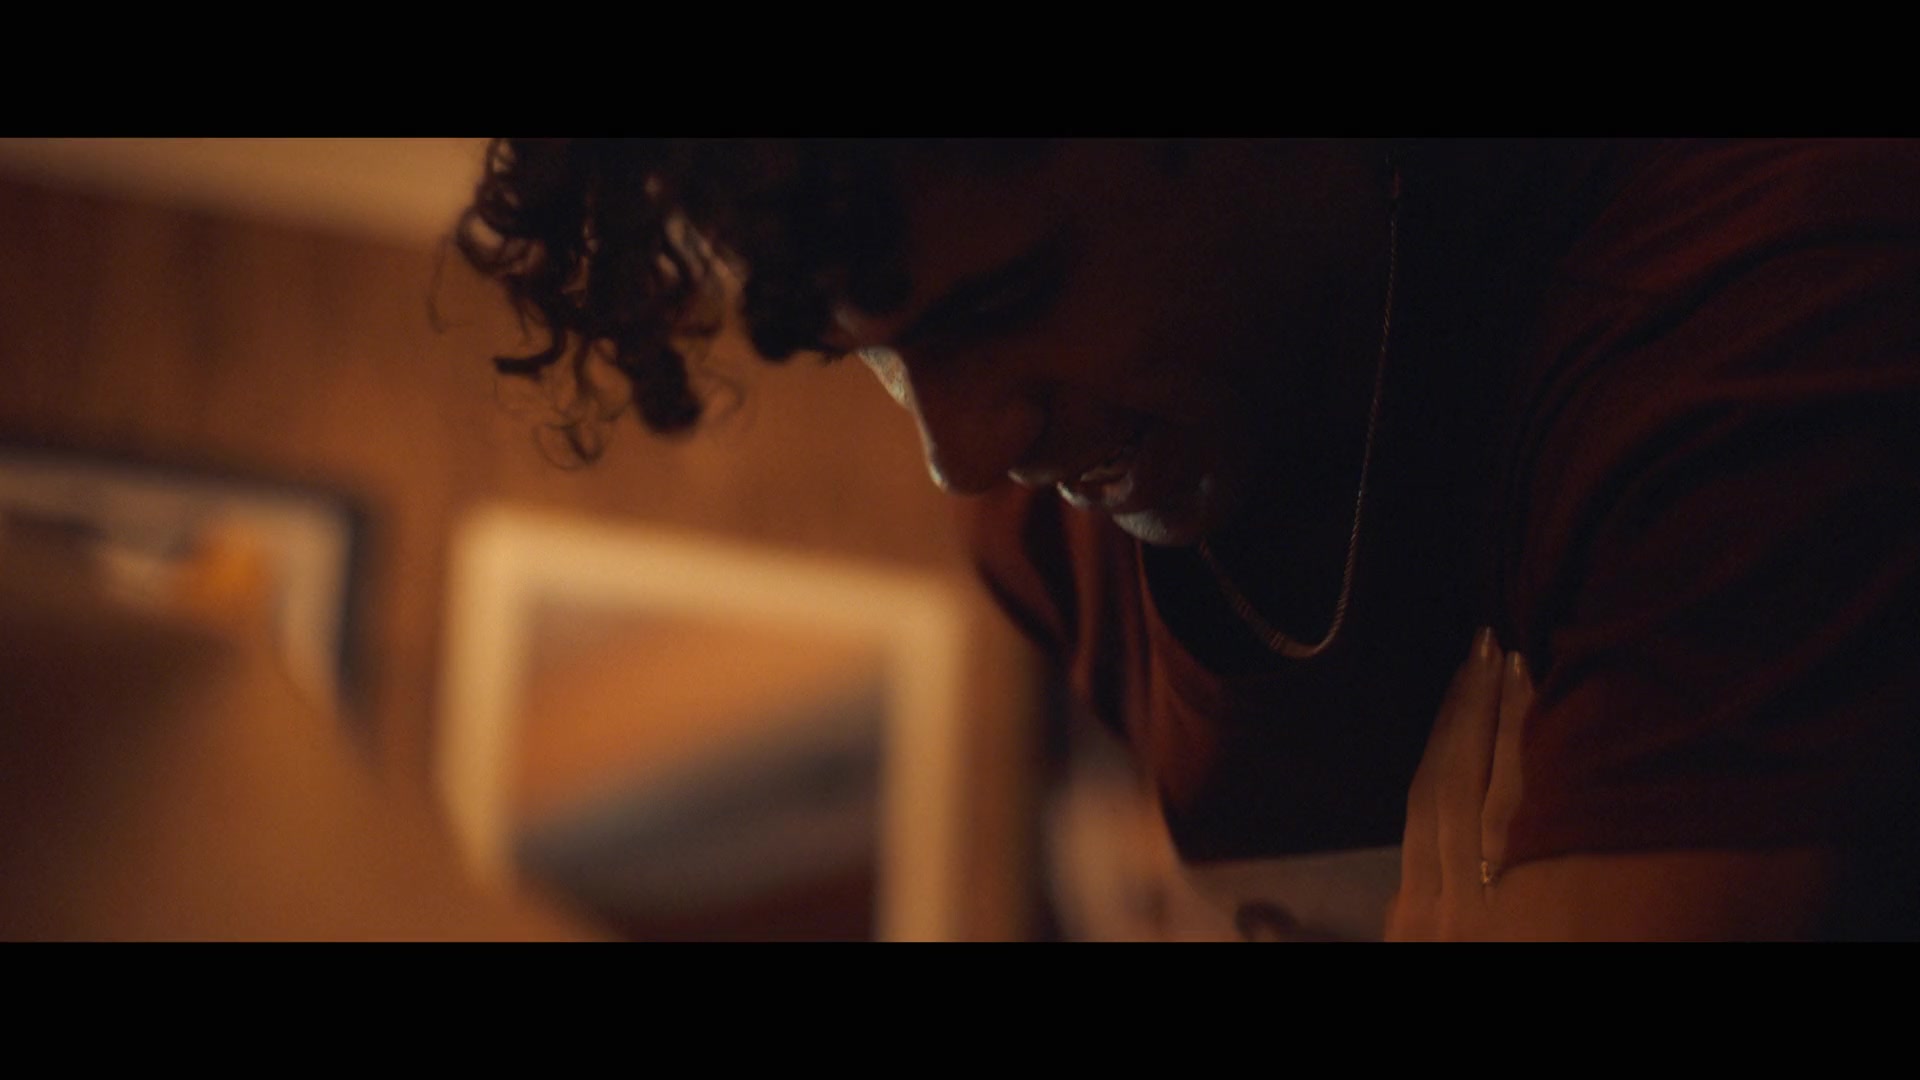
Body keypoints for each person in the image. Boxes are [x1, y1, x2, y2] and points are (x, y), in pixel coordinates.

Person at [456, 139, 1920, 939]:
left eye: (1006, 298)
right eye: (883, 357)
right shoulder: (1048, 541)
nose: (963, 449)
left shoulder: (1747, 320)